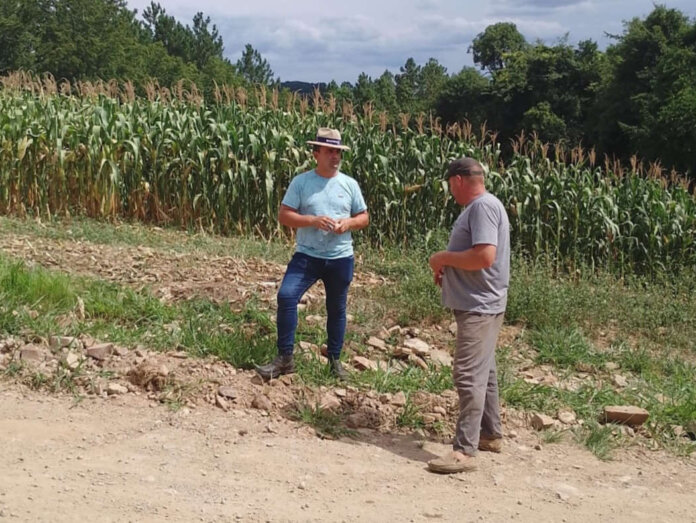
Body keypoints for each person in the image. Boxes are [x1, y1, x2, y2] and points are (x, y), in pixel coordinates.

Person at [255, 127, 369, 381]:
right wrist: (313, 220)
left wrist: (347, 224)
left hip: (340, 257)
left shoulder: (349, 184)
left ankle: (335, 362)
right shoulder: (302, 182)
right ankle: (285, 358)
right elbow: (284, 215)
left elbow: (363, 217)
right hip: (307, 256)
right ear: (316, 152)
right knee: (286, 296)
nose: (335, 156)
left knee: (336, 308)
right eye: (329, 151)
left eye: (338, 151)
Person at [426, 157, 510, 474]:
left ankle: (464, 450)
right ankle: (490, 433)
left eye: (450, 185)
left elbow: (485, 256)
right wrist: (450, 268)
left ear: (459, 180)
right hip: (482, 302)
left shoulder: (482, 207)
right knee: (484, 371)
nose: (451, 191)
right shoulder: (485, 206)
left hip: (479, 305)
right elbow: (477, 255)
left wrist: (442, 257)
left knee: (467, 374)